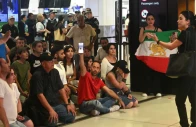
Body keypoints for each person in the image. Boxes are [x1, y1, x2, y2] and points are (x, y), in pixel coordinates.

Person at [151, 10, 196, 127]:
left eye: (181, 18)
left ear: (188, 21)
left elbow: (171, 47)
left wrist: (158, 41)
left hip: (186, 70)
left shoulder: (185, 33)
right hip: (194, 69)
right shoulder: (193, 32)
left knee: (180, 100)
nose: (178, 20)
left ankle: (185, 124)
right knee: (193, 98)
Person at [27, 52, 76, 126]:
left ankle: (56, 115)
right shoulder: (37, 75)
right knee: (52, 122)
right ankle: (52, 116)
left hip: (55, 103)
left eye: (53, 60)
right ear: (43, 64)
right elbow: (40, 95)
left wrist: (67, 104)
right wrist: (50, 110)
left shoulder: (55, 72)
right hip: (42, 106)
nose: (53, 63)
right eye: (50, 61)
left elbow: (61, 88)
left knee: (71, 116)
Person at [138, 12, 162, 97]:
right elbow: (140, 40)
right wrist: (145, 34)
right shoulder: (143, 29)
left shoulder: (158, 30)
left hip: (155, 55)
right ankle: (146, 90)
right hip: (146, 55)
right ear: (146, 20)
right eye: (148, 19)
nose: (150, 21)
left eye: (152, 19)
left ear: (154, 20)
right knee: (146, 73)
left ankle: (157, 90)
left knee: (156, 73)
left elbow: (162, 42)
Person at [0, 58, 26, 127]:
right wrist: (6, 124)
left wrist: (16, 115)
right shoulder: (0, 83)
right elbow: (0, 106)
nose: (8, 65)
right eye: (5, 63)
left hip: (14, 120)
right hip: (8, 122)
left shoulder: (5, 83)